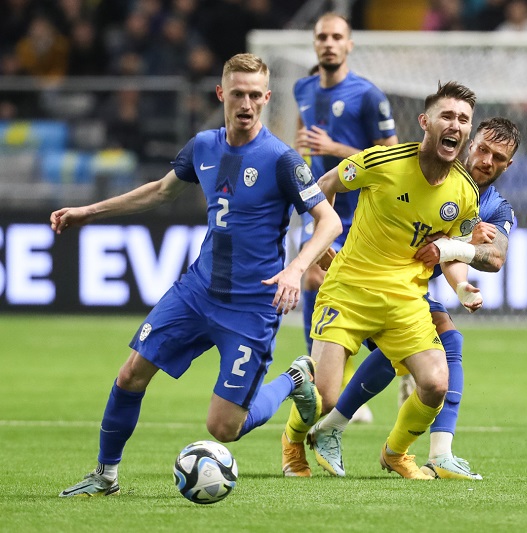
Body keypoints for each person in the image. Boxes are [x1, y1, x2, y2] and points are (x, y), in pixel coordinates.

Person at [54, 53, 342, 497]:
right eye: (238, 93)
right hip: (196, 292)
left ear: (267, 98)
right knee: (131, 374)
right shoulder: (203, 146)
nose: (246, 103)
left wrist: (295, 268)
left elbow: (329, 221)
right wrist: (88, 212)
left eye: (255, 95)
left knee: (224, 428)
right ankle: (106, 475)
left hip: (251, 307)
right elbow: (159, 191)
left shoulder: (281, 160)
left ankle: (294, 379)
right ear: (221, 93)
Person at [281, 81, 484, 480]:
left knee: (435, 384)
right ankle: (292, 443)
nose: (455, 125)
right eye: (446, 115)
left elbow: (454, 250)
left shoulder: (465, 193)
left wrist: (461, 286)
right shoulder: (382, 161)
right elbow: (325, 186)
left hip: (405, 301)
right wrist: (321, 241)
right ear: (425, 122)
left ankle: (396, 453)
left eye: (463, 119)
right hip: (349, 290)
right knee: (324, 398)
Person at [306, 117, 520, 480]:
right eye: (483, 149)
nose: (487, 161)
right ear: (471, 144)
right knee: (443, 341)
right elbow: (352, 179)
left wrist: (455, 262)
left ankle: (351, 432)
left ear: (508, 164)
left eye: (498, 157)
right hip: (367, 279)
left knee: (417, 352)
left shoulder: (496, 208)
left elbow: (495, 256)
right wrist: (320, 245)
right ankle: (430, 452)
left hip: (408, 292)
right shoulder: (428, 169)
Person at [293, 12, 399, 423]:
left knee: (362, 299)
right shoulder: (302, 88)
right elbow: (303, 139)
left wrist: (335, 148)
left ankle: (396, 364)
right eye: (322, 36)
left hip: (365, 217)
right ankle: (319, 379)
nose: (329, 43)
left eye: (337, 36)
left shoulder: (369, 96)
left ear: (349, 44)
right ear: (315, 43)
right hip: (324, 210)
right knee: (313, 278)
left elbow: (392, 158)